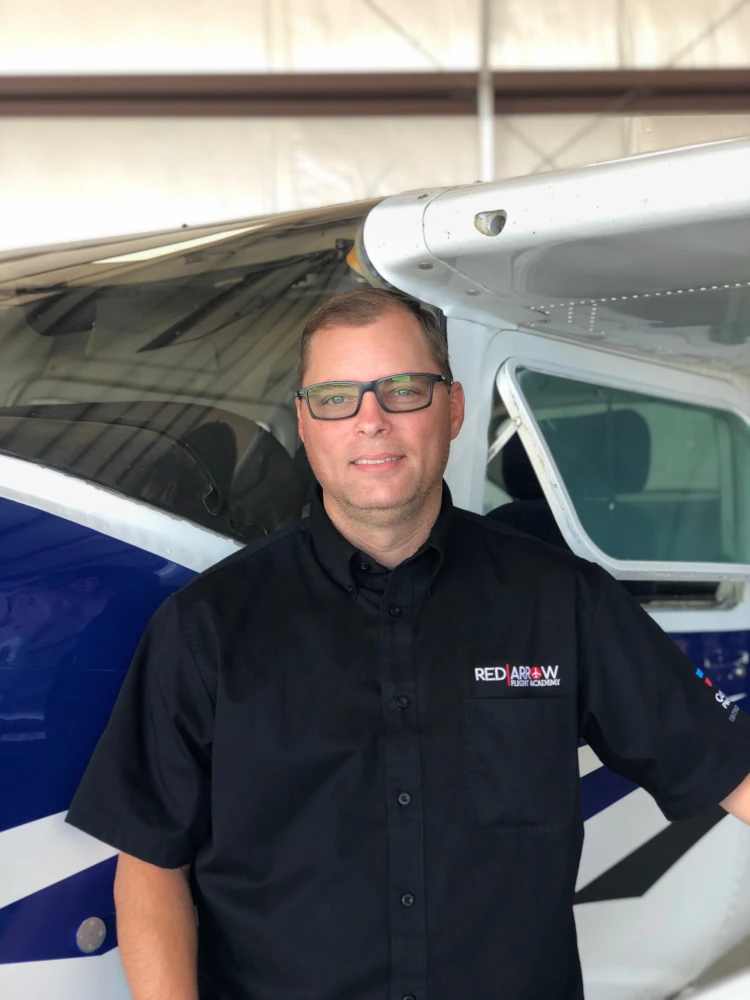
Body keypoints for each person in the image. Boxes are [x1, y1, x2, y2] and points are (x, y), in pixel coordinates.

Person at [66, 287, 750, 1000]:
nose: (371, 422)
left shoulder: (563, 600)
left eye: (402, 390)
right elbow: (148, 867)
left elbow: (729, 772)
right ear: (305, 422)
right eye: (337, 398)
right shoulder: (205, 626)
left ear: (452, 408)